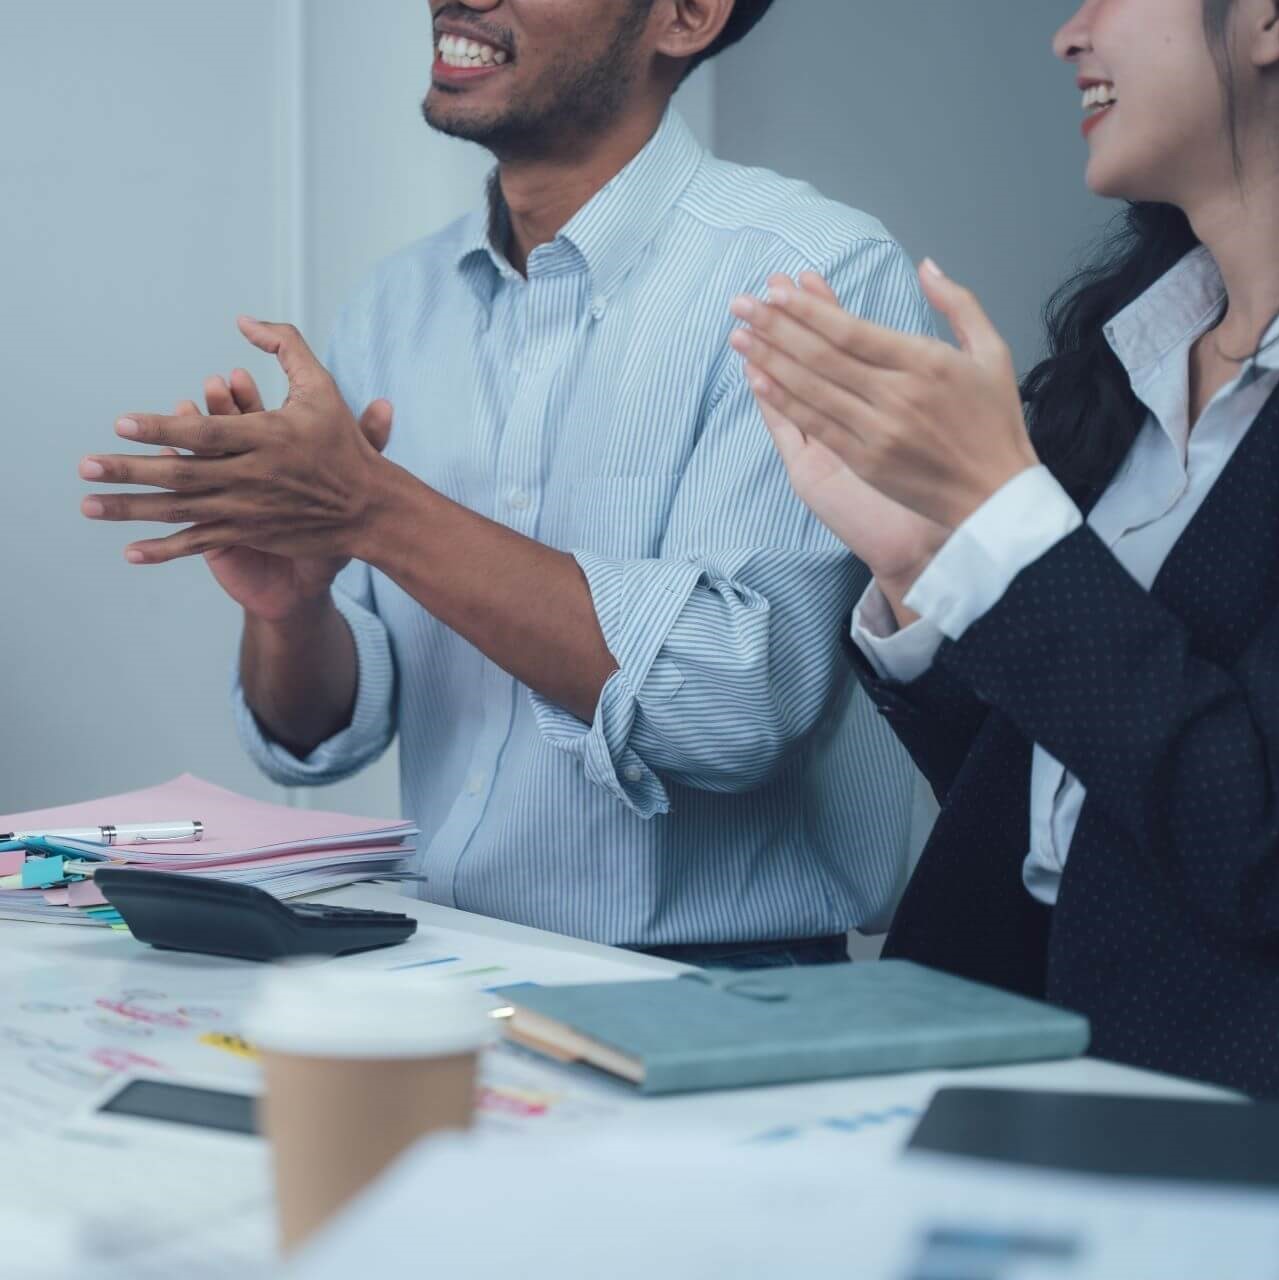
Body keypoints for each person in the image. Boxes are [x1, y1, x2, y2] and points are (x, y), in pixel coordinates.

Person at [77, 0, 929, 966]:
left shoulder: (813, 276)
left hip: (714, 998)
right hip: (434, 968)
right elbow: (318, 736)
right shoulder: (398, 301)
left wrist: (373, 508)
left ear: (686, 16)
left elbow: (728, 709)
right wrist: (289, 611)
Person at [729, 0, 1279, 1093]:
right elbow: (1069, 784)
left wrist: (1006, 523)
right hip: (999, 1063)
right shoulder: (1128, 358)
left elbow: (1252, 846)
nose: (1067, 36)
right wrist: (925, 565)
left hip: (1207, 1130)